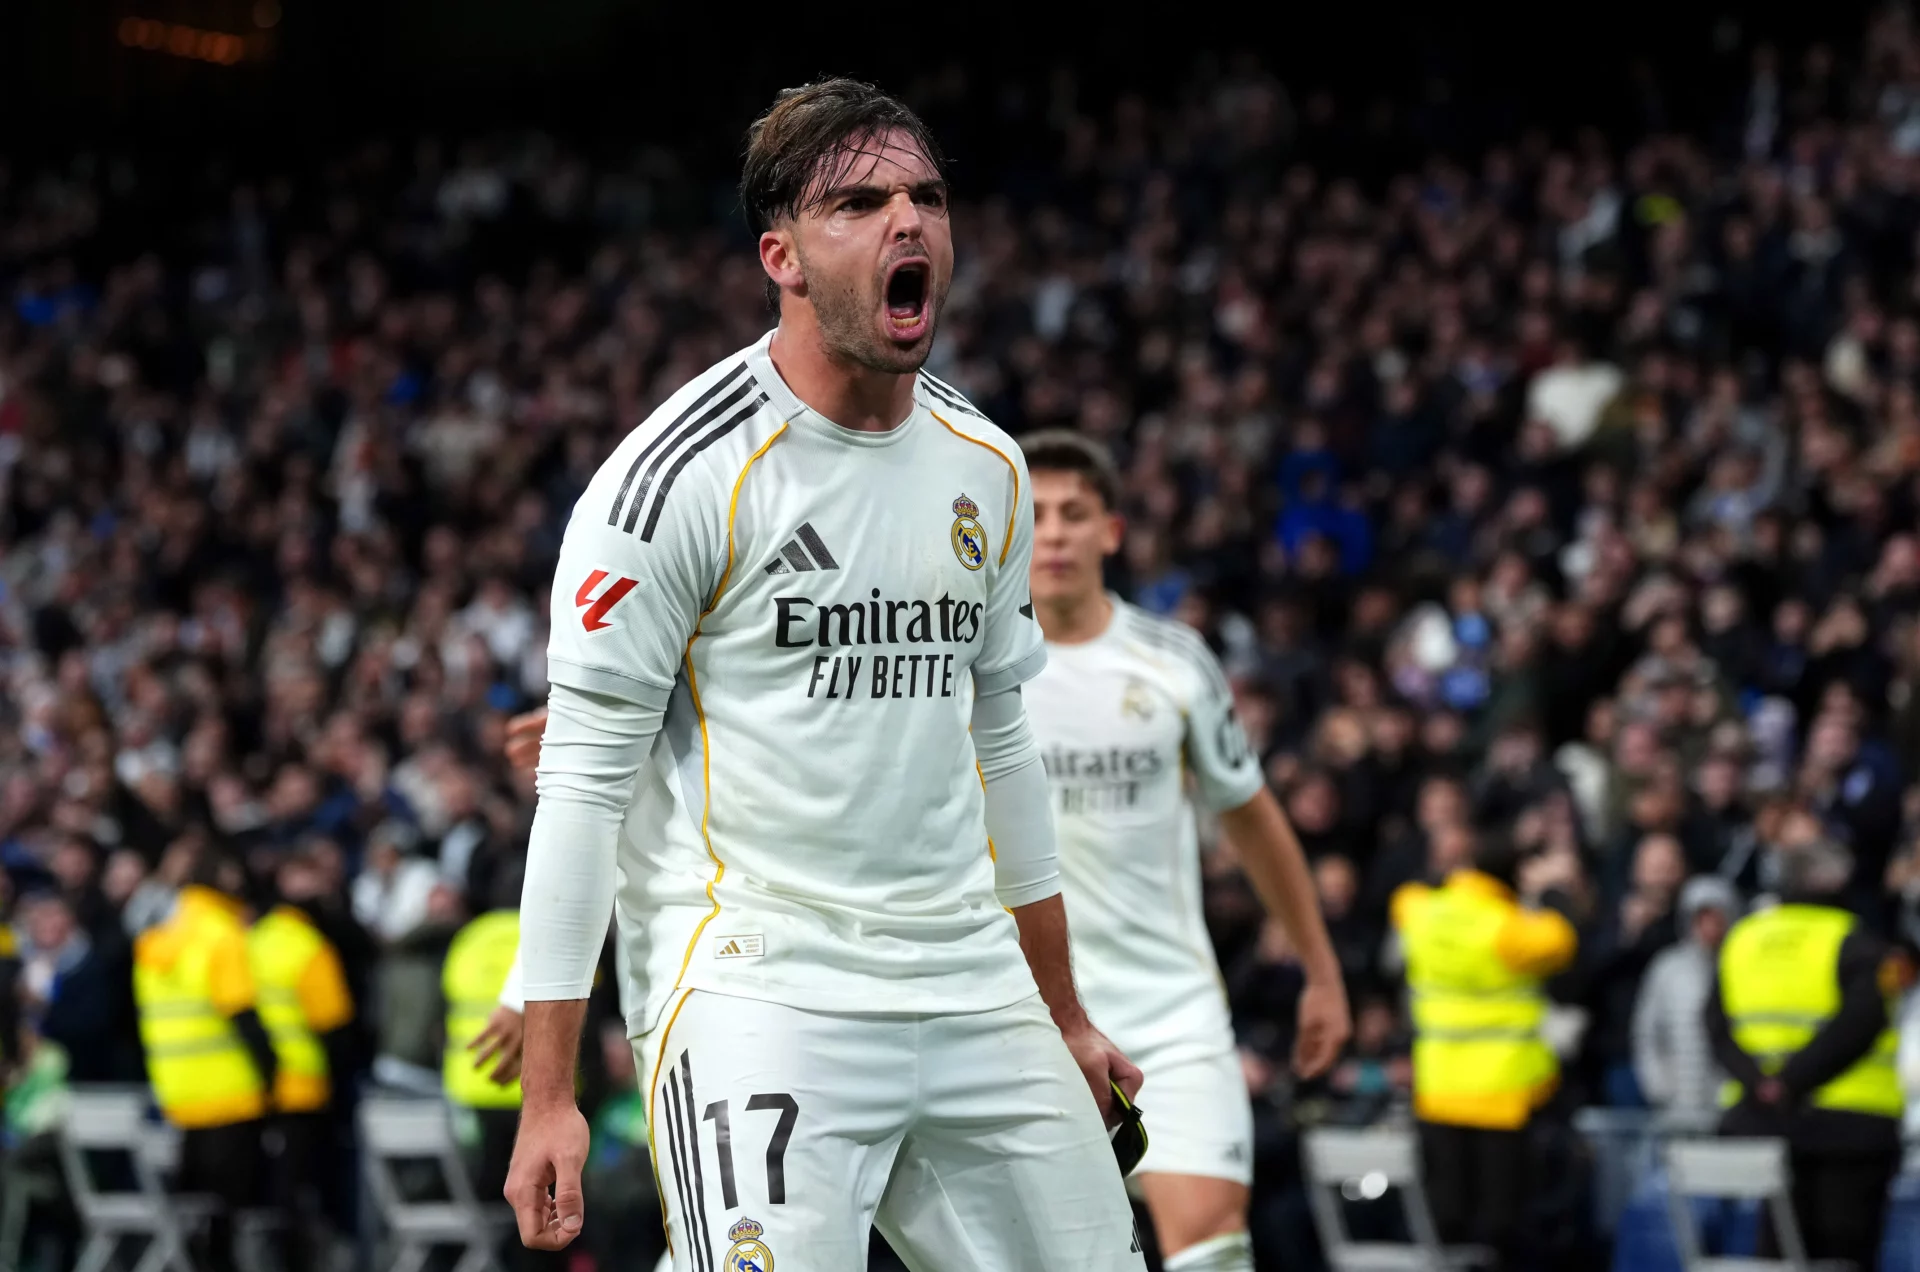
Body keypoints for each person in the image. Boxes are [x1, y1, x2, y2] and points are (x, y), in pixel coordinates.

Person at [505, 78, 1146, 1270]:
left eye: (927, 197)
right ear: (782, 257)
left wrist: (1062, 1012)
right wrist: (550, 1094)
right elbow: (582, 790)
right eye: (858, 203)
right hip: (762, 986)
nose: (908, 220)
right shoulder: (674, 481)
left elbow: (1004, 747)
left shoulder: (988, 465)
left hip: (970, 979)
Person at [1018, 429, 1351, 1271]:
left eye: (1074, 513)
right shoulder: (970, 669)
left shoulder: (1175, 663)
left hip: (1172, 1012)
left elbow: (1252, 817)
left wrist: (1321, 969)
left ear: (1111, 531)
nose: (1054, 533)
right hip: (1024, 1015)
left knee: (1212, 1247)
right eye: (1037, 514)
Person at [1706, 841, 1908, 1267]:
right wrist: (1791, 1081)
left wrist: (1763, 1084)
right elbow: (1860, 1023)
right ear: (1837, 881)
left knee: (1778, 1253)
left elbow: (1715, 1025)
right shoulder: (1854, 941)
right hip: (1851, 1128)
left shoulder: (1743, 939)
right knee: (1841, 1257)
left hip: (1763, 1124)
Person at [1390, 835, 1579, 1270]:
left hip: (1440, 1087)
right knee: (1501, 1221)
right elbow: (1561, 941)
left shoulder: (1421, 911)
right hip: (1501, 1091)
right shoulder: (1508, 928)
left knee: (1448, 1215)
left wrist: (1454, 876)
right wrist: (1552, 890)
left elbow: (1404, 897)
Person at [132, 852, 276, 1272]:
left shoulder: (160, 937)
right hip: (231, 1092)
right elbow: (243, 1015)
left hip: (178, 1093)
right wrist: (271, 1072)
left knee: (194, 1214)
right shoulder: (221, 935)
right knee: (228, 1222)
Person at [248, 850, 357, 1272]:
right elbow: (335, 1025)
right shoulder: (310, 947)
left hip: (258, 1084)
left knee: (275, 1189)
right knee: (305, 1188)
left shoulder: (252, 941)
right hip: (305, 1087)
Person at [1631, 875, 1739, 1127]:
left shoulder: (1740, 967)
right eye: (1702, 918)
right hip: (1677, 1106)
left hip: (1728, 1106)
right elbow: (1646, 1033)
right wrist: (1659, 1086)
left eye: (1717, 918)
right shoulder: (1667, 968)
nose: (1709, 927)